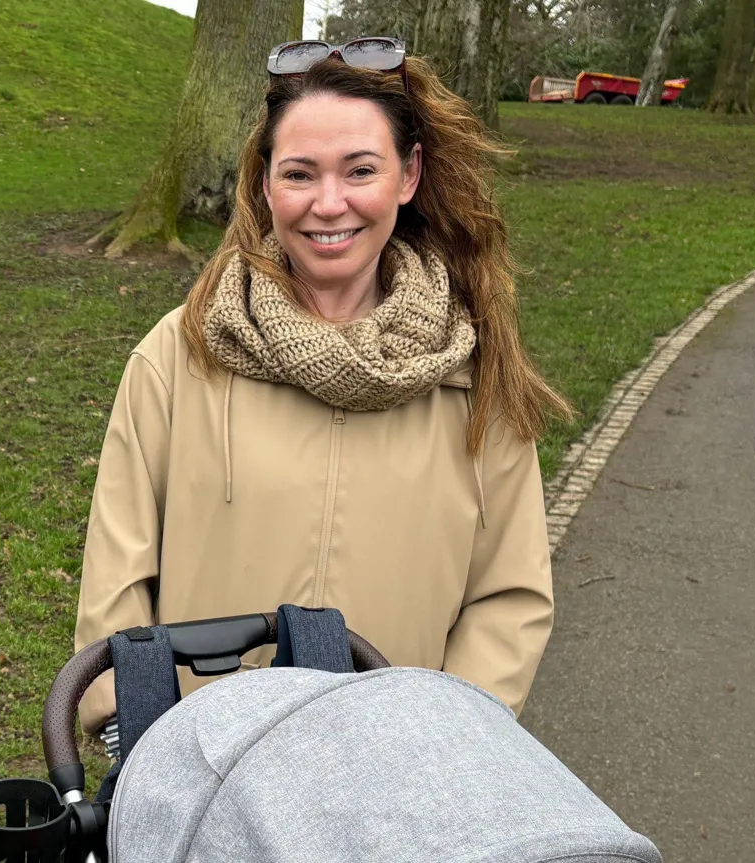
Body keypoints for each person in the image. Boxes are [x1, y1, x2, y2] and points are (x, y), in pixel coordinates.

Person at [73, 39, 574, 744]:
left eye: (360, 170)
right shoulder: (179, 355)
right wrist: (139, 736)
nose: (328, 204)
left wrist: (442, 745)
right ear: (266, 183)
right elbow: (117, 575)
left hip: (392, 788)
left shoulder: (475, 371)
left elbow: (509, 597)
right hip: (207, 780)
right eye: (300, 173)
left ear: (408, 175)